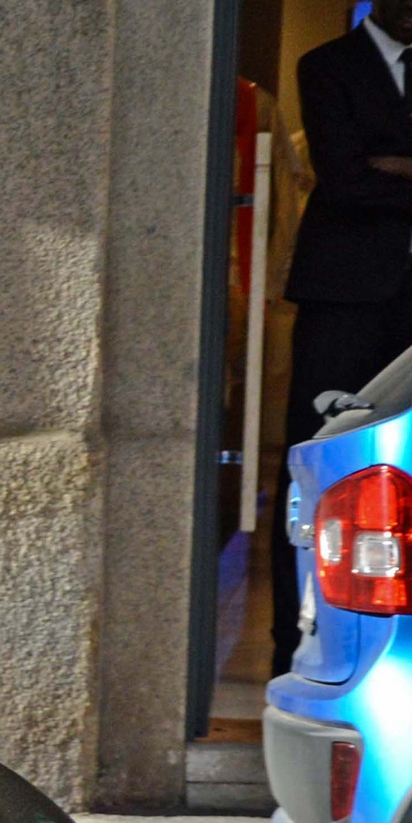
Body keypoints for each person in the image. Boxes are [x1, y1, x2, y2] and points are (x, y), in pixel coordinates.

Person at [282, 0, 412, 673]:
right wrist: (368, 170)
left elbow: (370, 177)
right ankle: (291, 642)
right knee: (317, 460)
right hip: (345, 297)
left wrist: (394, 165)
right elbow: (346, 179)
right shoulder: (328, 66)